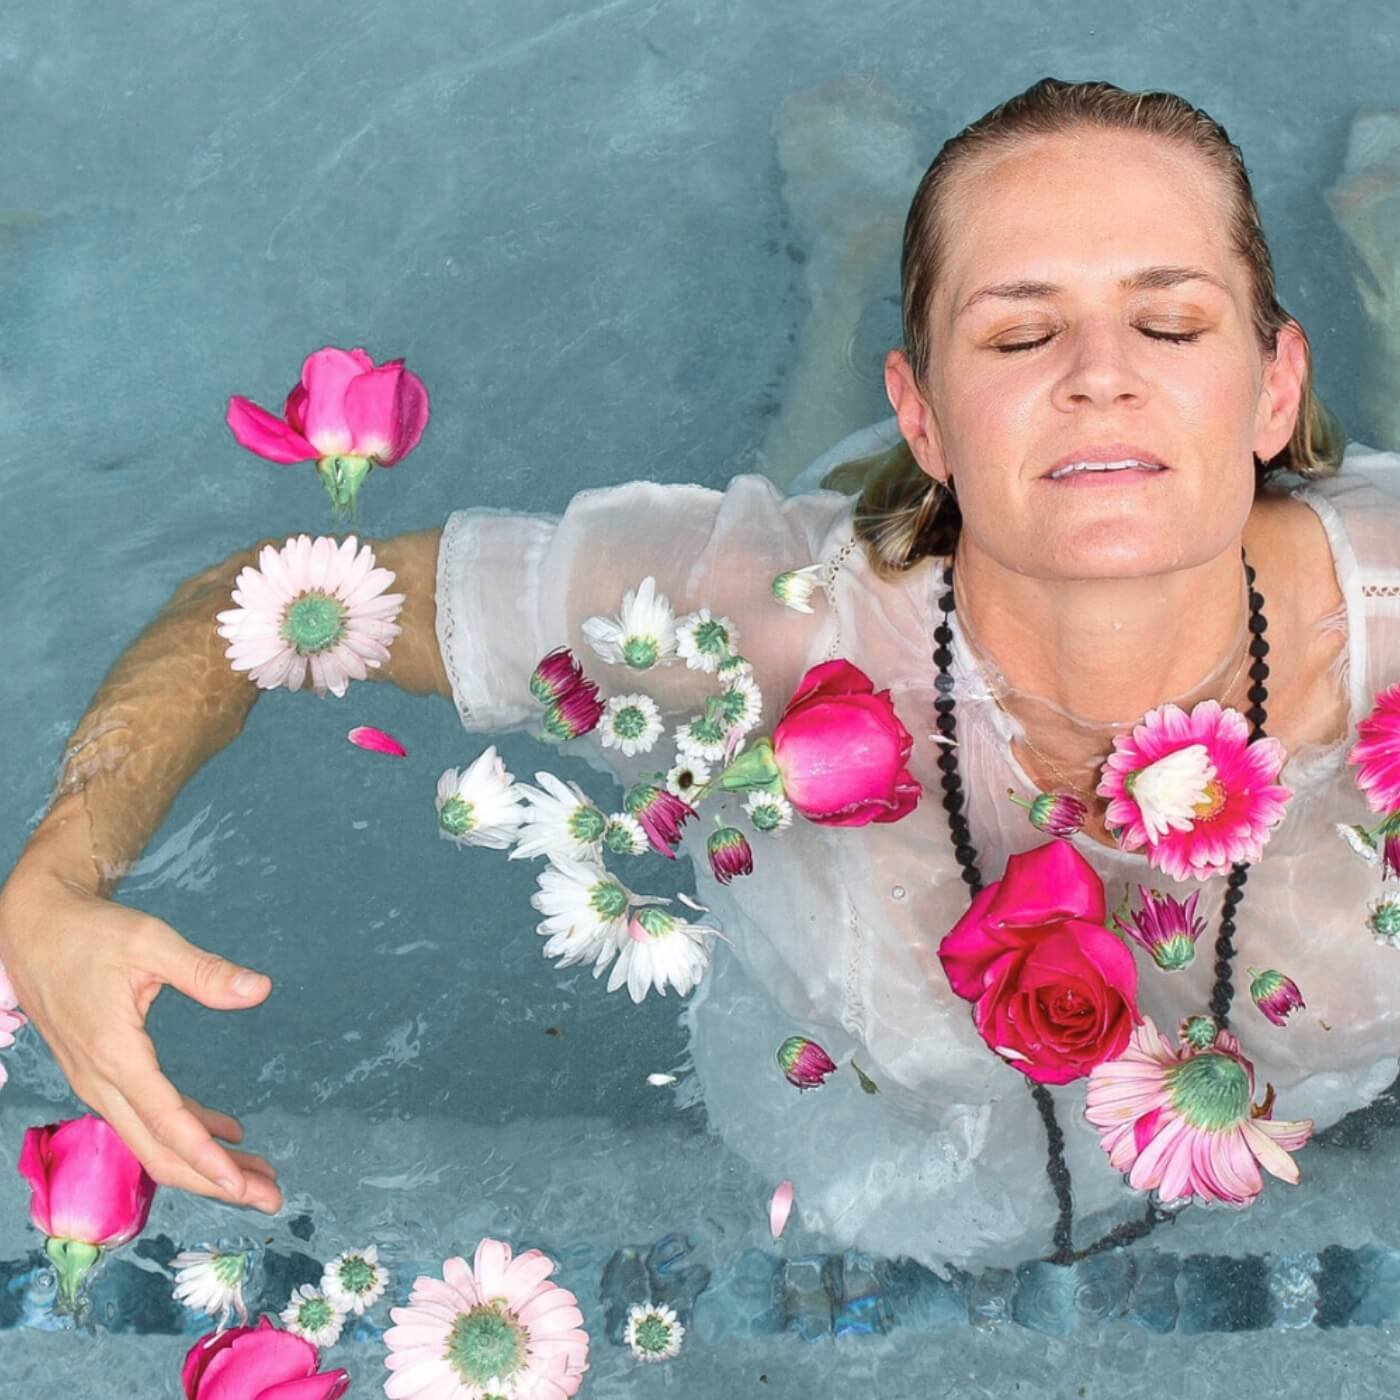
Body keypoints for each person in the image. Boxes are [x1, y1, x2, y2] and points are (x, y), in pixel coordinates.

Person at [3, 76, 1400, 1271]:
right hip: (886, 1151)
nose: (1100, 374)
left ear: (1273, 388)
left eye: (1173, 325)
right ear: (924, 414)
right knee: (802, 512)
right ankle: (851, 262)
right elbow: (254, 601)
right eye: (1020, 333)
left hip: (1253, 1115)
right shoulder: (763, 622)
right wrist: (57, 883)